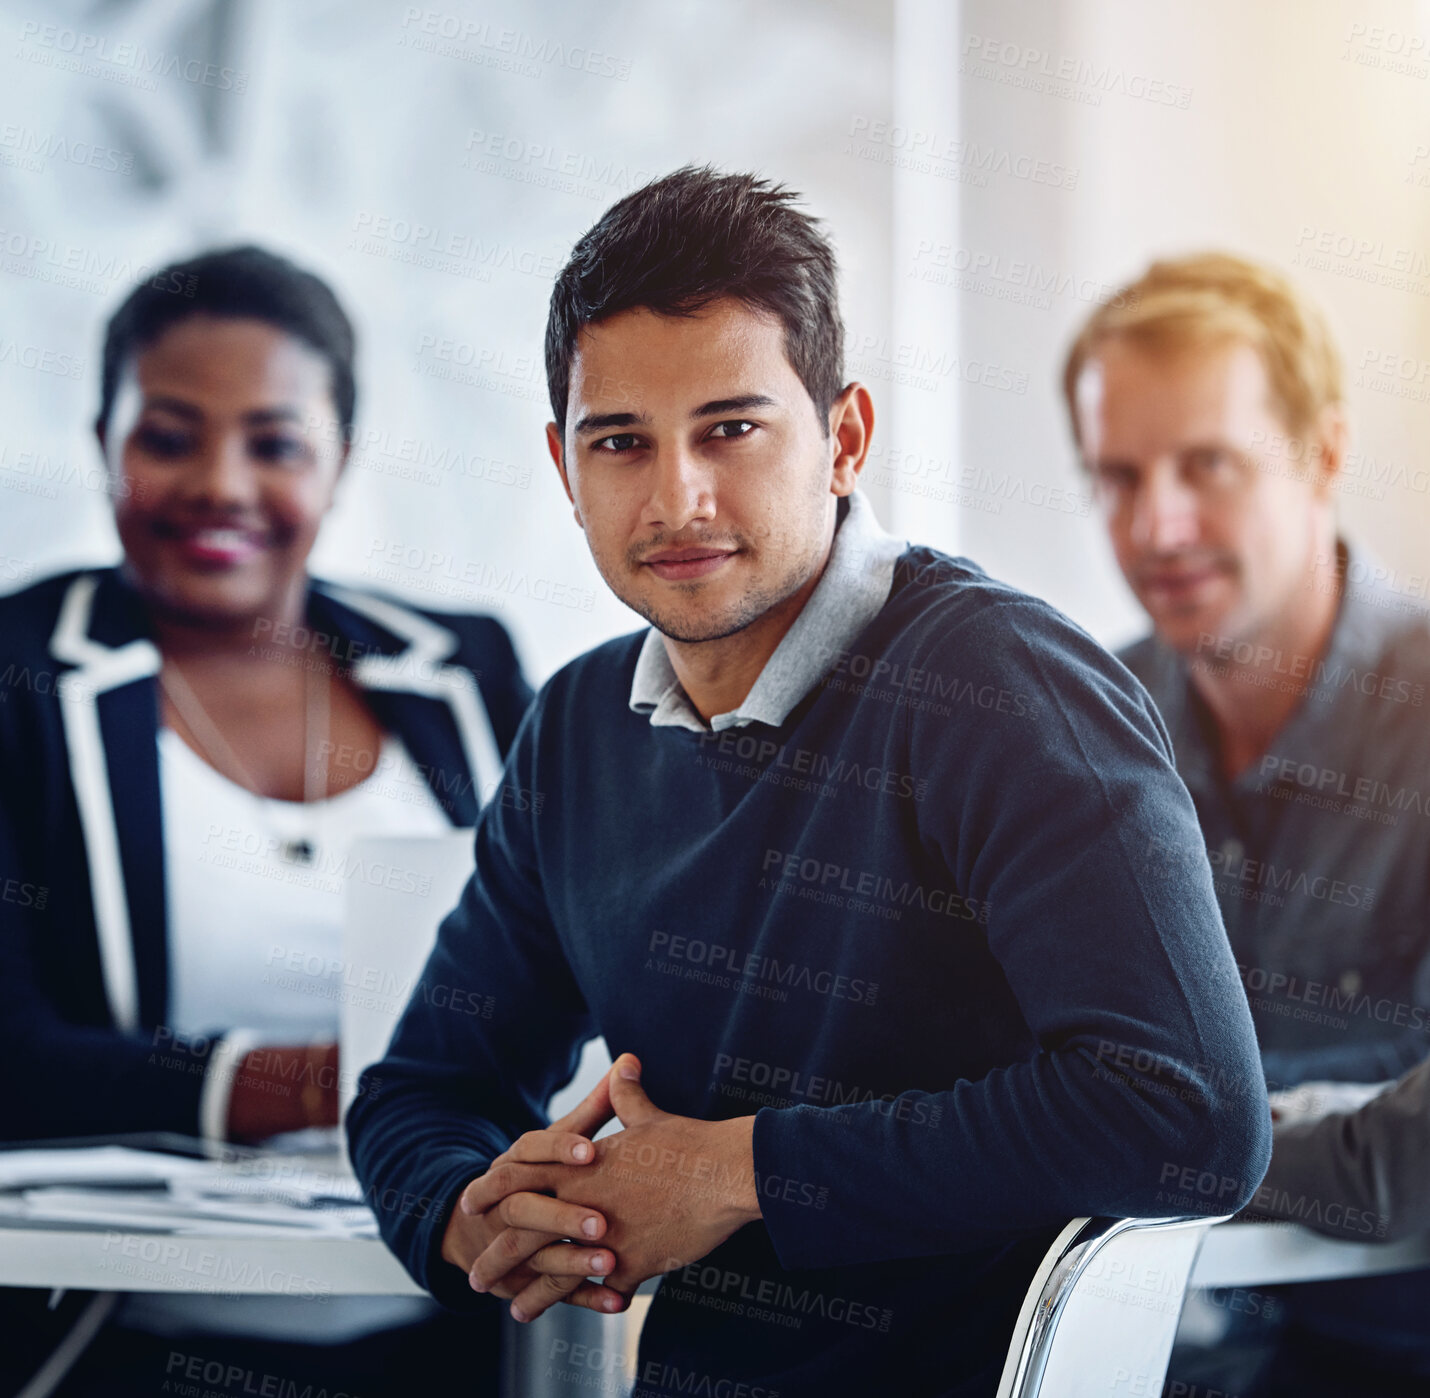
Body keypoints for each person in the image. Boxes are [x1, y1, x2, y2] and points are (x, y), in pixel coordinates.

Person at [347, 167, 1271, 1398]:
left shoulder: (1001, 684)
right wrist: (473, 1217)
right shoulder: (576, 729)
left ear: (841, 439)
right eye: (620, 442)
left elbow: (1186, 1116)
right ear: (565, 469)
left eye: (729, 429)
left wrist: (735, 1171)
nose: (676, 496)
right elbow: (426, 1085)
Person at [0, 245, 530, 1395]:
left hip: (448, 1344)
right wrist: (317, 1084)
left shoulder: (468, 670)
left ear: (339, 462)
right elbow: (11, 1053)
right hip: (125, 1353)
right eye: (170, 435)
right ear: (104, 443)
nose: (221, 485)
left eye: (275, 443)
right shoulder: (21, 679)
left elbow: (576, 970)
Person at [1063, 252, 1430, 1393]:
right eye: (1116, 477)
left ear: (1321, 452)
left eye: (1206, 466)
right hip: (1150, 1351)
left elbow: (1405, 1165)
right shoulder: (1077, 721)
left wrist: (1137, 1126)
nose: (1156, 526)